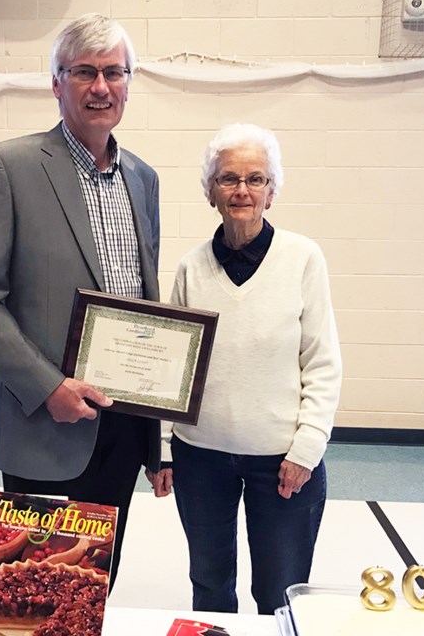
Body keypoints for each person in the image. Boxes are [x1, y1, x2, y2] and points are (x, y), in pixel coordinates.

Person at [0, 13, 161, 588]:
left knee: (93, 588)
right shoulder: (7, 167)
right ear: (56, 82)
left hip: (120, 424)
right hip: (43, 424)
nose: (101, 87)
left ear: (128, 82)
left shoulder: (143, 179)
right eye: (85, 72)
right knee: (33, 588)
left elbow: (145, 303)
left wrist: (156, 436)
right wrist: (49, 388)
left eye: (114, 72)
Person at [146, 122, 343, 615]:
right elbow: (174, 367)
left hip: (281, 463)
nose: (241, 190)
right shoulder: (191, 268)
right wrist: (166, 449)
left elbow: (322, 361)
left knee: (279, 593)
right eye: (228, 178)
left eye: (255, 179)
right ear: (210, 191)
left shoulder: (303, 259)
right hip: (200, 459)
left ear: (272, 192)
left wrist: (307, 448)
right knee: (210, 588)